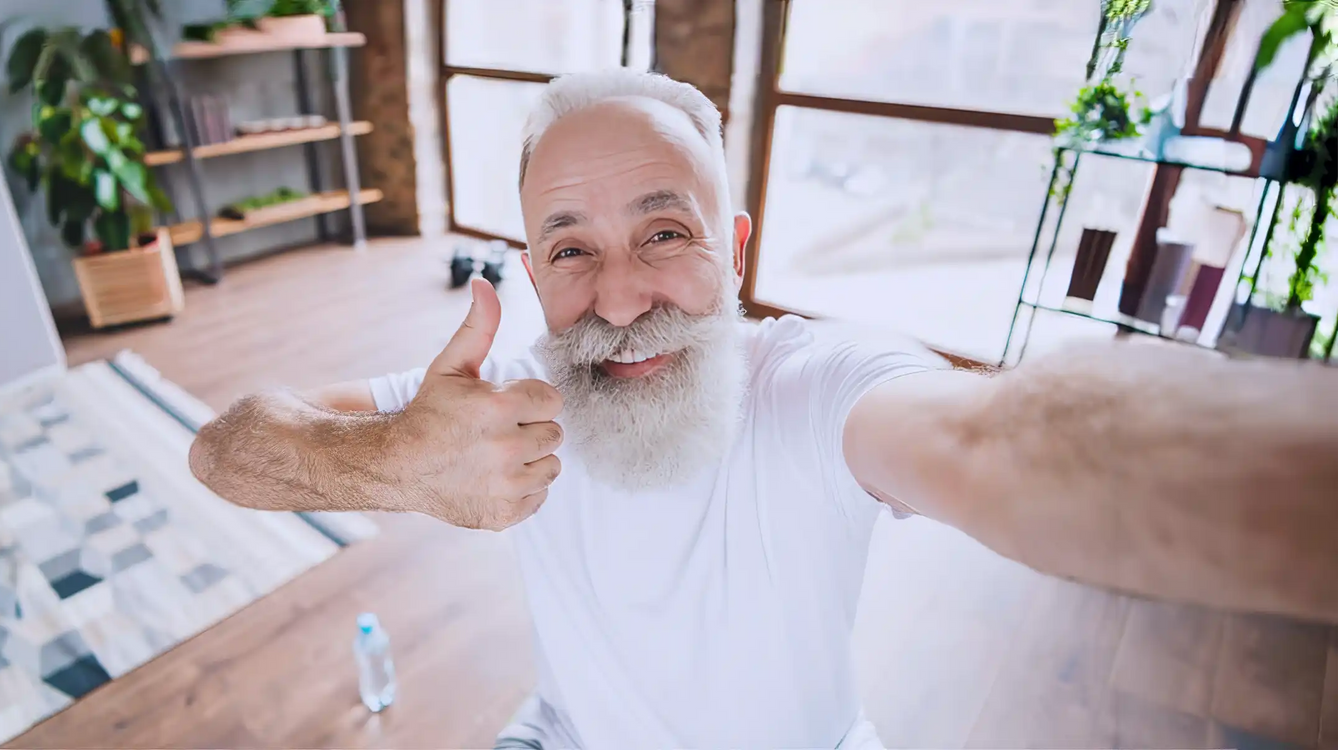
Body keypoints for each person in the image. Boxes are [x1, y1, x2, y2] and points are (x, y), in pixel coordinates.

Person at [188, 70, 1338, 749]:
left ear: (734, 251)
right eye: (572, 249)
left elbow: (1008, 445)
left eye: (665, 234)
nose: (623, 295)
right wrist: (389, 460)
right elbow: (225, 451)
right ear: (531, 274)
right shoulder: (487, 403)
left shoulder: (816, 384)